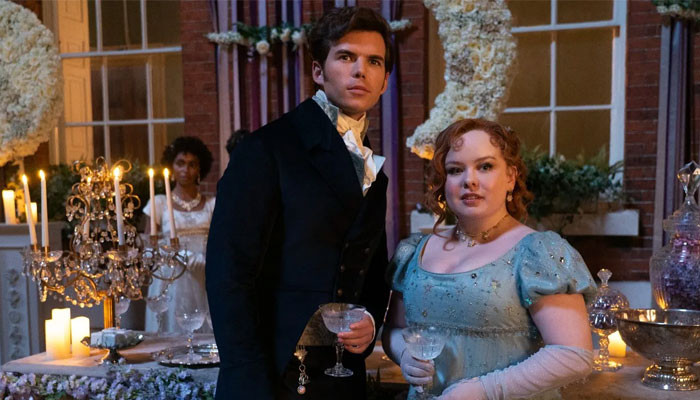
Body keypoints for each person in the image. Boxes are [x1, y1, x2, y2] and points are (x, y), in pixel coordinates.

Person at [206, 7, 393, 399]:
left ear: (385, 81)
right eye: (346, 57)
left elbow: (371, 271)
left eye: (374, 61)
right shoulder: (266, 150)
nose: (360, 71)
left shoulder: (372, 167)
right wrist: (249, 383)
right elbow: (229, 277)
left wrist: (370, 321)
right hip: (273, 376)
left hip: (341, 377)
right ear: (318, 71)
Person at [382, 119, 597, 400]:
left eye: (485, 166)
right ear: (443, 182)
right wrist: (403, 353)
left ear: (510, 176)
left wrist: (484, 391)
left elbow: (573, 354)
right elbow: (396, 329)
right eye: (455, 170)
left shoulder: (538, 252)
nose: (469, 180)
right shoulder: (414, 251)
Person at [144, 136, 215, 334]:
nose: (186, 170)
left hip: (203, 274)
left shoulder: (212, 204)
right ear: (172, 166)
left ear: (200, 168)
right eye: (180, 163)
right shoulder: (158, 203)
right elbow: (149, 248)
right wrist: (175, 254)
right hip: (170, 278)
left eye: (192, 164)